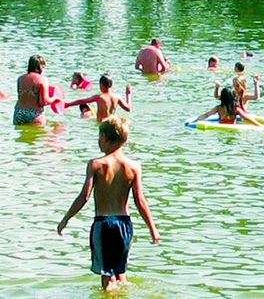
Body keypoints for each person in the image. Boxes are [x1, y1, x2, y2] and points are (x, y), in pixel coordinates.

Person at [57, 116, 161, 292]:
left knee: (107, 279)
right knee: (121, 274)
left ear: (104, 137)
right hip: (125, 225)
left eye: (99, 136)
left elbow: (84, 197)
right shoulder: (134, 166)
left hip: (103, 224)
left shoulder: (96, 164)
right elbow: (140, 201)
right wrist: (153, 229)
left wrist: (66, 219)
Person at [14, 55, 62, 126]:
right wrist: (55, 99)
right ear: (40, 67)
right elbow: (43, 102)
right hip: (35, 113)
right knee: (40, 135)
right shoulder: (42, 79)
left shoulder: (20, 78)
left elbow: (20, 97)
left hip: (19, 112)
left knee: (22, 136)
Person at [65, 74, 133, 122]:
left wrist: (68, 104)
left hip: (102, 124)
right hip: (112, 124)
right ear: (111, 85)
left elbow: (81, 101)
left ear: (101, 85)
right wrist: (128, 94)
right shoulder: (117, 97)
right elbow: (128, 108)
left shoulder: (99, 97)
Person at [196, 87, 263, 126]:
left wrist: (195, 121)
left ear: (222, 98)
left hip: (221, 127)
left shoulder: (218, 108)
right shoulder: (236, 109)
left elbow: (206, 115)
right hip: (233, 127)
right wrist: (259, 125)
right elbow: (247, 118)